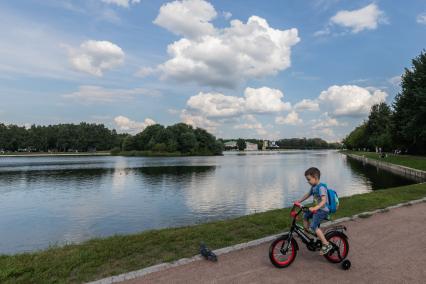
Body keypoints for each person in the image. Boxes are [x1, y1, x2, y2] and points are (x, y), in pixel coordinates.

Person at [295, 167, 333, 255]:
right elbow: (307, 195)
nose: (308, 181)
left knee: (314, 226)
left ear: (315, 177)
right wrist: (299, 201)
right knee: (305, 216)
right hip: (317, 209)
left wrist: (316, 208)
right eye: (307, 180)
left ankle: (326, 244)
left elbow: (323, 200)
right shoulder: (313, 187)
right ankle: (306, 234)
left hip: (323, 210)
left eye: (309, 179)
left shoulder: (321, 187)